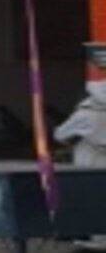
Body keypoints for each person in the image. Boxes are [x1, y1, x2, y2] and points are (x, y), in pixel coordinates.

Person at [55, 80, 106, 251]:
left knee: (91, 201)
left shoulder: (85, 115)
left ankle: (96, 237)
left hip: (90, 163)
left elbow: (60, 134)